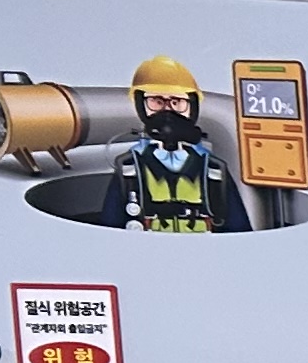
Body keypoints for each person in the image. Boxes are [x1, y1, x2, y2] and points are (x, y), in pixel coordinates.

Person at [97, 57, 254, 233]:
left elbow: (240, 233)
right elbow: (109, 231)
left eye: (177, 102)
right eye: (156, 101)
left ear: (192, 106)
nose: (167, 110)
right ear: (141, 106)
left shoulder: (214, 170)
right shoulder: (128, 168)